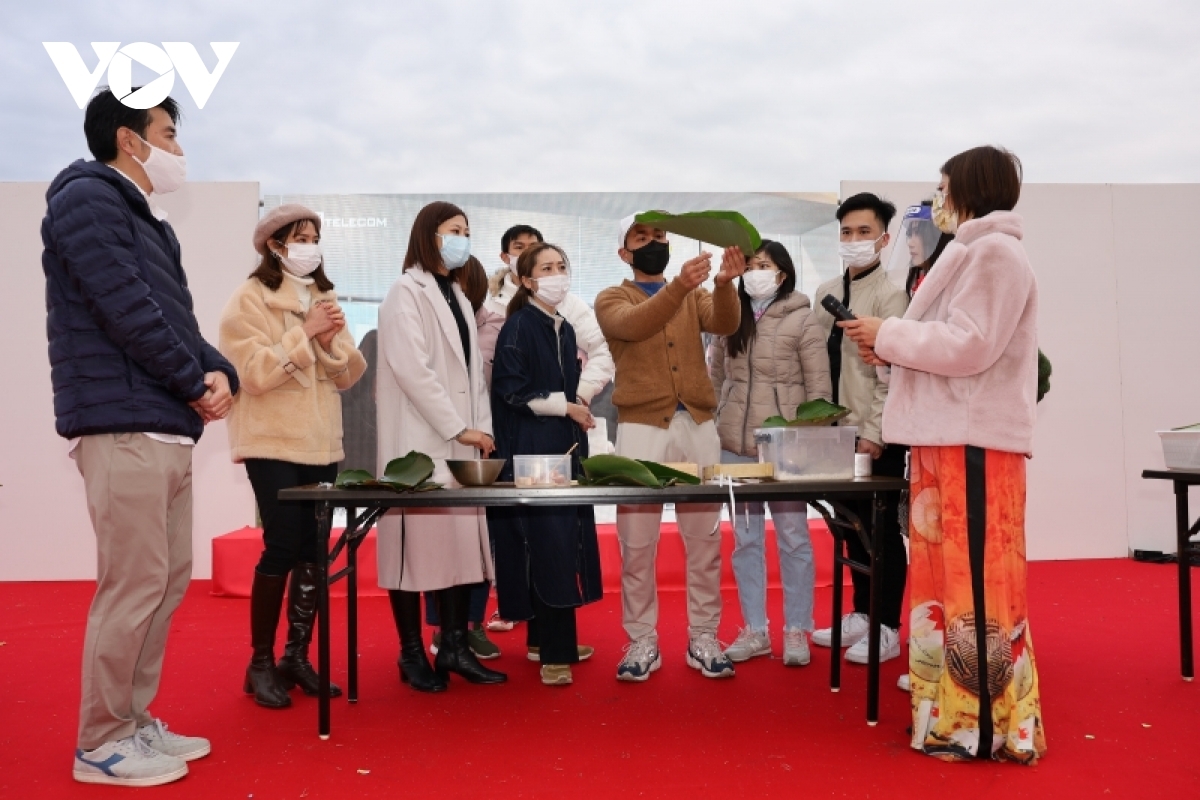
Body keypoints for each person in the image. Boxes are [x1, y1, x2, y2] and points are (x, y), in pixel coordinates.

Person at [43, 88, 237, 786]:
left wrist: (221, 373)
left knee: (164, 581)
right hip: (124, 423)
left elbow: (172, 320)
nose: (179, 150)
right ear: (131, 139)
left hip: (163, 425)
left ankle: (130, 720)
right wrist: (193, 380)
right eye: (170, 134)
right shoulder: (87, 200)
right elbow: (125, 311)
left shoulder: (146, 219)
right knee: (134, 585)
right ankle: (100, 739)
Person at [842, 146, 1046, 763]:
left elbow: (972, 345)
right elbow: (955, 345)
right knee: (944, 583)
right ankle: (952, 713)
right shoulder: (968, 251)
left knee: (973, 583)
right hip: (947, 439)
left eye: (943, 185)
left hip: (972, 442)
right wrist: (893, 347)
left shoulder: (994, 251)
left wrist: (891, 335)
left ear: (971, 187)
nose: (937, 196)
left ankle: (981, 723)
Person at [219, 204, 367, 709]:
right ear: (275, 245)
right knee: (281, 544)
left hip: (321, 441)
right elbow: (252, 374)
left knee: (312, 550)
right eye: (300, 237)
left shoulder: (323, 296)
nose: (310, 245)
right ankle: (259, 663)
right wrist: (304, 333)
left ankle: (295, 656)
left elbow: (347, 376)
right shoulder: (250, 297)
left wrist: (328, 340)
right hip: (272, 440)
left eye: (315, 236)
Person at [595, 213, 745, 681]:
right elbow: (637, 325)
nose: (654, 242)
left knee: (703, 541)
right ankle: (642, 639)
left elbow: (724, 323)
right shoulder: (611, 298)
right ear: (624, 252)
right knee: (636, 544)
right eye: (642, 237)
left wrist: (723, 284)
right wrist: (680, 287)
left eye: (660, 235)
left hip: (698, 422)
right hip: (641, 428)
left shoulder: (693, 293)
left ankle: (704, 635)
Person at [376, 201, 506, 692]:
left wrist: (480, 429)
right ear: (430, 234)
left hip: (460, 442)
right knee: (413, 551)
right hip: (420, 442)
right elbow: (413, 371)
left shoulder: (455, 293)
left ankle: (453, 646)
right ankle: (411, 653)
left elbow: (474, 377)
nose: (463, 239)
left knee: (457, 548)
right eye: (455, 230)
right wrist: (458, 428)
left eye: (467, 231)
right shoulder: (403, 293)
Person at [707, 240, 831, 667]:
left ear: (782, 274)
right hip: (737, 446)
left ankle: (797, 627)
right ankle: (754, 629)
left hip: (786, 445)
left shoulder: (803, 317)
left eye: (766, 265)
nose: (757, 272)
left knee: (795, 537)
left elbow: (819, 388)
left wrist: (812, 439)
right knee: (745, 540)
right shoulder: (730, 317)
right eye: (752, 265)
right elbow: (716, 378)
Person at [489, 242, 604, 686]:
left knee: (560, 540)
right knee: (551, 544)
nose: (557, 274)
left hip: (563, 448)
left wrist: (575, 409)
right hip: (533, 451)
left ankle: (544, 642)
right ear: (527, 280)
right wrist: (566, 408)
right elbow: (510, 391)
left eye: (562, 266)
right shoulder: (518, 327)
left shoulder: (565, 327)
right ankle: (554, 653)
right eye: (547, 269)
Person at [810, 193, 910, 666]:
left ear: (884, 239)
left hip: (874, 435)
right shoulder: (825, 290)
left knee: (882, 530)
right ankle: (861, 613)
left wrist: (875, 432)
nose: (853, 241)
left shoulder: (893, 295)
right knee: (849, 528)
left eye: (864, 232)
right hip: (831, 433)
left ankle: (887, 624)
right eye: (846, 233)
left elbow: (890, 372)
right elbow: (816, 363)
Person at [420, 255, 505, 659]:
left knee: (478, 541)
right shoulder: (424, 319)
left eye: (464, 285)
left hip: (479, 443)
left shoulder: (494, 325)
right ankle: (441, 628)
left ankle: (471, 625)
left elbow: (489, 383)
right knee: (440, 539)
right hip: (439, 439)